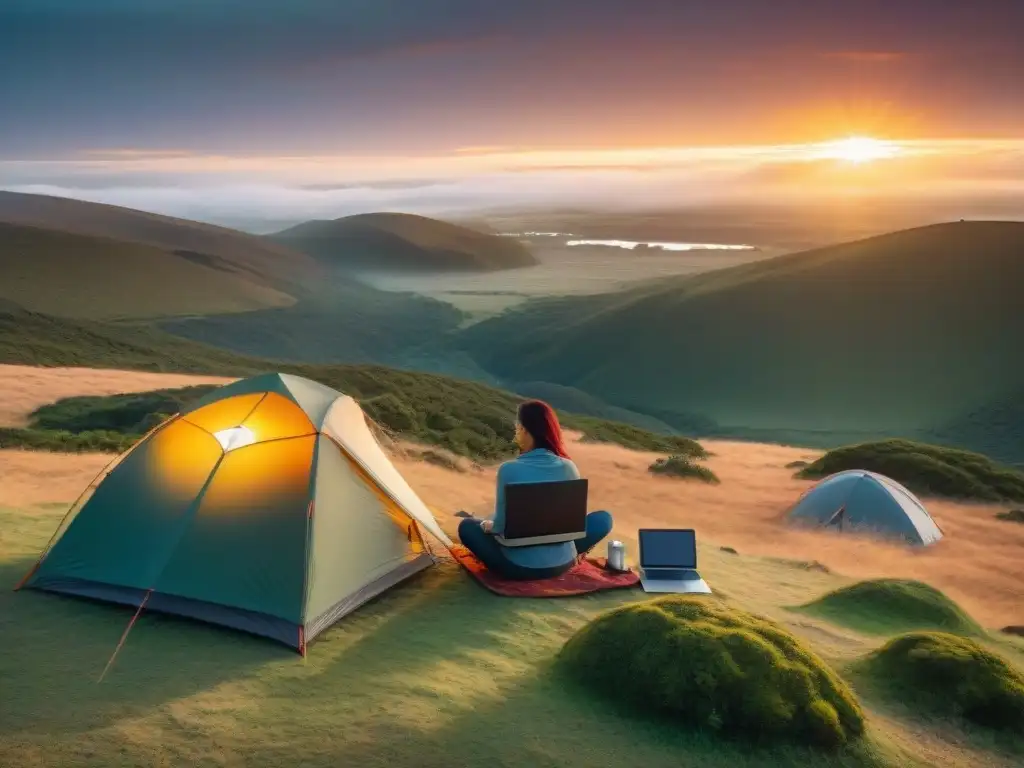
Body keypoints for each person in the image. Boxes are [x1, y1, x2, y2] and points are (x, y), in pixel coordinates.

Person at [457, 400, 614, 580]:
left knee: (468, 526)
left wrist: (486, 524)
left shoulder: (509, 469)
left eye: (517, 428)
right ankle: (567, 554)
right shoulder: (569, 467)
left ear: (524, 430)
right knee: (604, 518)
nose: (516, 432)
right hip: (564, 563)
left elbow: (500, 527)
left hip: (518, 568)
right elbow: (572, 524)